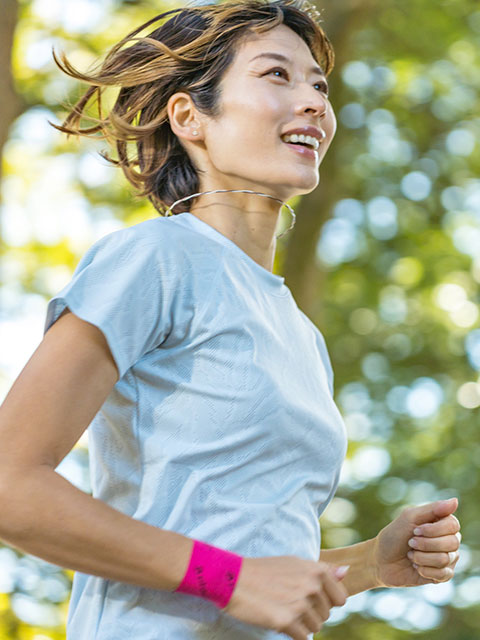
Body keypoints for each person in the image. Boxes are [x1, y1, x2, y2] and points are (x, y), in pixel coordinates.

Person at [0, 1, 461, 639]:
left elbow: (251, 566)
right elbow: (9, 484)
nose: (313, 103)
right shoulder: (157, 259)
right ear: (190, 116)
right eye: (277, 75)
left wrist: (367, 564)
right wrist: (230, 578)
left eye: (318, 85)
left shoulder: (300, 333)